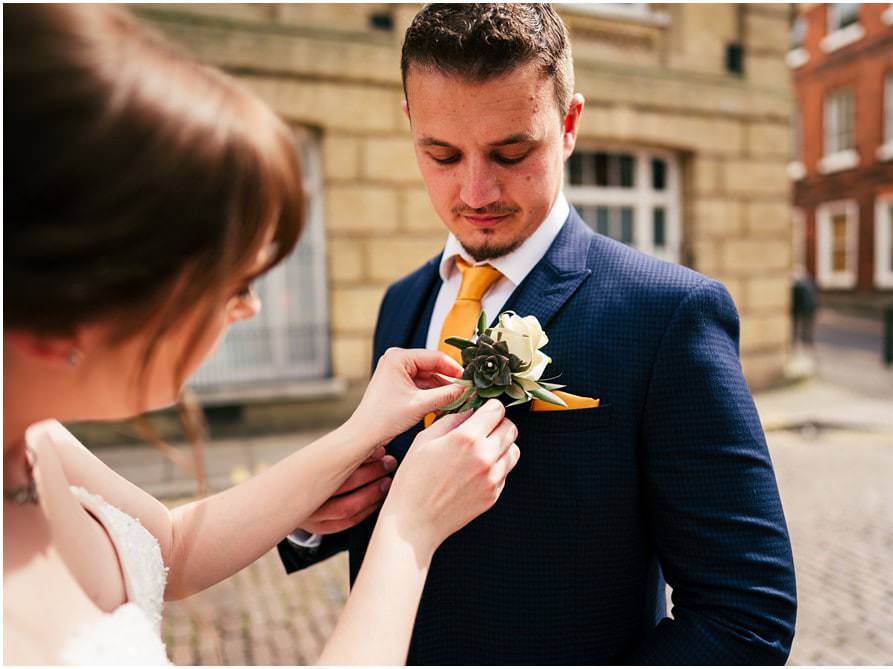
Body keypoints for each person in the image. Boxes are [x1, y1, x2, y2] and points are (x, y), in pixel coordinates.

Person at [279, 3, 797, 665]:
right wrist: (310, 518)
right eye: (441, 154)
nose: (475, 189)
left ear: (570, 123)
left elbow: (746, 614)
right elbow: (401, 508)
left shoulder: (669, 315)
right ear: (410, 125)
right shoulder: (401, 302)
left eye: (512, 151)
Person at [3, 5, 520, 665]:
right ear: (60, 315)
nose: (248, 308)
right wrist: (409, 528)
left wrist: (356, 434)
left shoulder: (31, 439)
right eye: (233, 283)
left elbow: (172, 544)